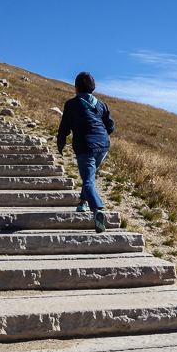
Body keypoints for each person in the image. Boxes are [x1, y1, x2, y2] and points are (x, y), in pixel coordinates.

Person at [57, 72, 115, 233]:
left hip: (85, 147)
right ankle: (82, 203)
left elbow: (64, 127)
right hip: (103, 146)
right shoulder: (101, 104)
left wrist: (60, 142)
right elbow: (110, 126)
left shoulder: (71, 104)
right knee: (89, 175)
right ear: (93, 87)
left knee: (88, 179)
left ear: (76, 87)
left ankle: (98, 209)